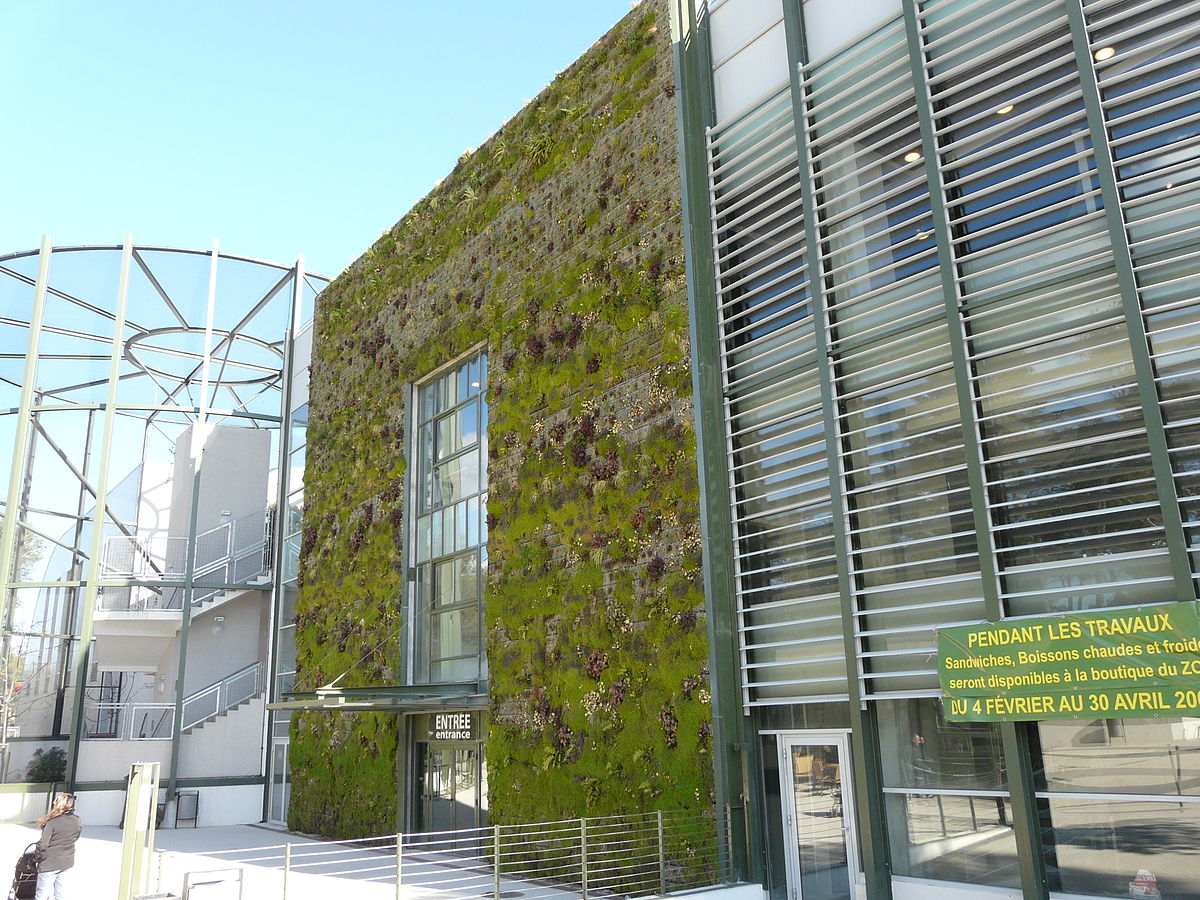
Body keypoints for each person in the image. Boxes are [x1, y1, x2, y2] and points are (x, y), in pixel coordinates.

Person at [33, 793, 81, 900]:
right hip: (67, 861)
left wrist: (35, 858)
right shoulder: (77, 820)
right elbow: (75, 837)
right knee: (61, 895)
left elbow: (43, 845)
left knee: (42, 895)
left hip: (49, 863)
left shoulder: (52, 822)